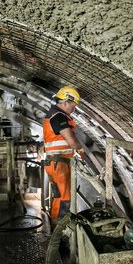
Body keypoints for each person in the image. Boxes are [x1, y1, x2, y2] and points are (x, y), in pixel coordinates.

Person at [43, 86, 84, 224]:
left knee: (59, 196)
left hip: (55, 163)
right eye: (73, 106)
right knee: (64, 198)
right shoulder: (58, 116)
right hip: (59, 164)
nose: (74, 109)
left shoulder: (54, 114)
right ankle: (61, 231)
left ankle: (56, 228)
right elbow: (71, 141)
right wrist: (81, 152)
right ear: (66, 102)